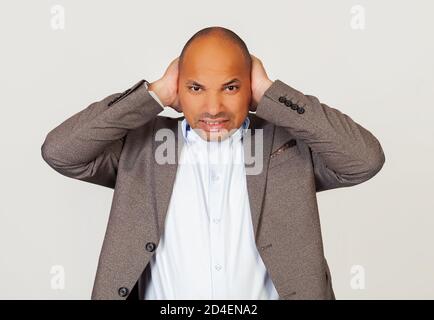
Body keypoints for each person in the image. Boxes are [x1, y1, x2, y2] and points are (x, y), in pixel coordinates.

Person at [41, 26, 385, 300]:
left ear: (248, 87)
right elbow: (60, 150)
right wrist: (154, 93)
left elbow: (364, 159)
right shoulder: (142, 147)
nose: (213, 108)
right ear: (179, 89)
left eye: (231, 87)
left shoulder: (287, 146)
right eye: (196, 88)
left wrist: (270, 91)